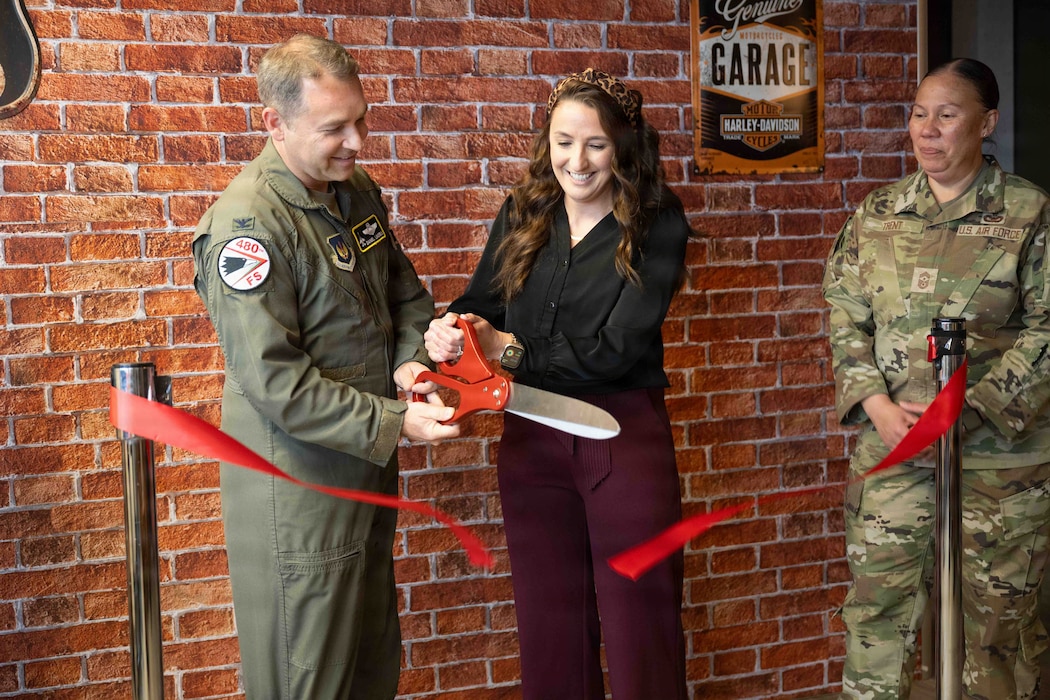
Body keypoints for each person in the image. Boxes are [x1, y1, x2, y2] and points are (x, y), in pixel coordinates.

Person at [191, 33, 459, 700]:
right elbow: (276, 382)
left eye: (361, 119)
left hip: (362, 475)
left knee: (370, 670)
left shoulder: (354, 189)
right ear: (274, 124)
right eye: (334, 127)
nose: (358, 141)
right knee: (304, 680)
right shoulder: (247, 224)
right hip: (298, 495)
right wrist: (399, 422)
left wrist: (409, 365)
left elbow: (405, 299)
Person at [424, 68, 691, 699]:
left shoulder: (658, 222)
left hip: (620, 436)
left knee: (639, 628)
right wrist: (450, 331)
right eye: (563, 141)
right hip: (532, 436)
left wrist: (506, 348)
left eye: (595, 144)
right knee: (549, 629)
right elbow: (482, 302)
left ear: (623, 146)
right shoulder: (523, 210)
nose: (577, 160)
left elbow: (613, 351)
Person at [823, 57, 1050, 700]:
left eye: (947, 115)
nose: (928, 129)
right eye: (919, 114)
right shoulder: (880, 211)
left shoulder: (1028, 213)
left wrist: (966, 410)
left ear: (987, 123)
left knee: (998, 628)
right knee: (876, 617)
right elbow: (845, 311)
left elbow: (1048, 330)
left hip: (997, 461)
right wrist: (874, 402)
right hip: (894, 447)